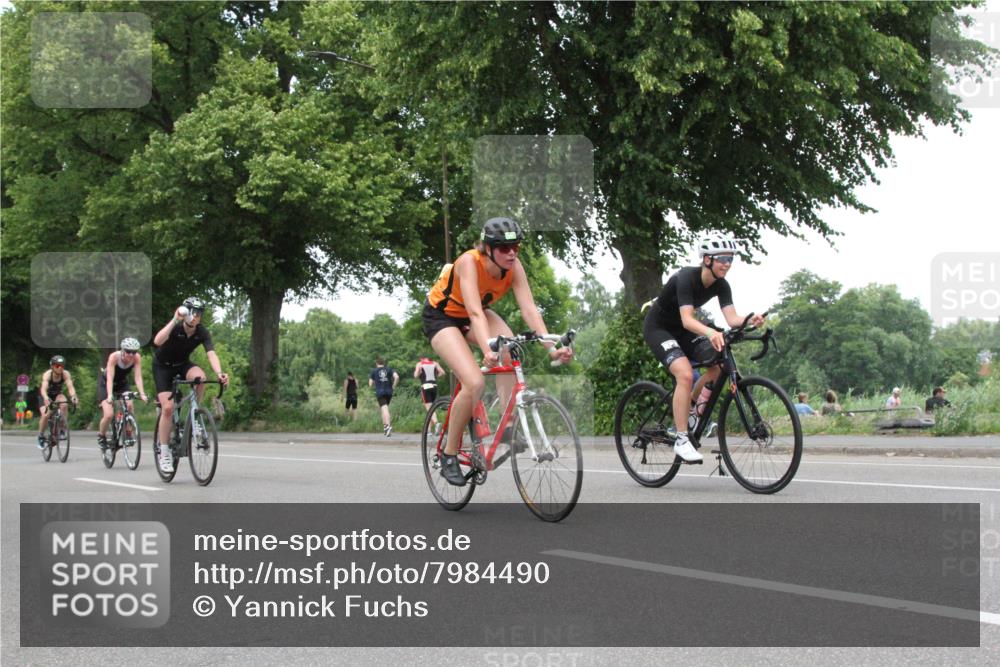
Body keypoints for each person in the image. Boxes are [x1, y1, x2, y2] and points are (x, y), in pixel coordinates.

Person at [423, 217, 573, 485]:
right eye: (504, 248)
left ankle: (508, 426)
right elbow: (474, 313)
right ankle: (449, 453)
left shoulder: (514, 267)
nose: (512, 252)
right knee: (474, 382)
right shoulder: (470, 262)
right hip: (442, 317)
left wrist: (552, 349)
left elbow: (529, 309)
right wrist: (486, 349)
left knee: (510, 350)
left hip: (475, 315)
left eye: (515, 246)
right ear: (488, 249)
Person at [643, 232, 764, 463]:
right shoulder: (686, 278)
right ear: (707, 259)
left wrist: (750, 320)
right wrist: (710, 332)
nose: (727, 264)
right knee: (685, 373)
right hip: (659, 328)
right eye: (722, 259)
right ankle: (681, 440)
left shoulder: (722, 285)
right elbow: (688, 319)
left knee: (717, 367)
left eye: (730, 259)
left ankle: (691, 410)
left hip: (683, 329)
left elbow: (731, 319)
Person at [152, 297, 229, 473]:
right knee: (168, 409)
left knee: (200, 378)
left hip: (182, 364)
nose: (196, 317)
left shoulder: (201, 331)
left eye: (199, 314)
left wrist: (219, 373)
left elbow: (211, 353)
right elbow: (157, 341)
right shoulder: (176, 327)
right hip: (163, 367)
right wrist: (174, 320)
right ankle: (164, 453)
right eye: (193, 313)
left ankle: (196, 414)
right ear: (186, 313)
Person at [97, 337, 148, 451]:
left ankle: (128, 432)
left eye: (134, 352)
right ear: (123, 350)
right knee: (109, 414)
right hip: (107, 383)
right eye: (128, 351)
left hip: (122, 384)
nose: (131, 354)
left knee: (129, 405)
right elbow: (110, 378)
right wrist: (110, 395)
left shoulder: (136, 358)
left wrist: (142, 393)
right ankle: (101, 436)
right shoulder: (114, 357)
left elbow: (138, 377)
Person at [37, 355, 79, 450]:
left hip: (57, 394)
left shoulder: (65, 374)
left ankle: (62, 429)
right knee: (46, 415)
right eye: (57, 366)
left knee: (64, 404)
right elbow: (43, 389)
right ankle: (40, 436)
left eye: (62, 366)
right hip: (45, 395)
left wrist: (73, 396)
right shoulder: (47, 375)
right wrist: (46, 398)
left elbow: (70, 387)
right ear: (52, 366)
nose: (60, 368)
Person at [414, 356, 447, 431]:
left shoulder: (420, 364)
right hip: (434, 386)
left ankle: (436, 423)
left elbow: (415, 375)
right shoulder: (435, 363)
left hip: (425, 386)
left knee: (429, 407)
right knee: (431, 407)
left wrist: (419, 372)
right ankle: (429, 430)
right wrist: (436, 377)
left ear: (421, 358)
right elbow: (443, 372)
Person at [369, 359, 399, 437]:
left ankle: (388, 426)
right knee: (383, 409)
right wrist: (393, 386)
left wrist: (375, 383)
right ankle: (385, 428)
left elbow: (370, 384)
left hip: (380, 392)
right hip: (389, 392)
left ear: (376, 363)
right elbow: (396, 377)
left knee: (385, 409)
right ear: (384, 363)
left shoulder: (374, 371)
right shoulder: (389, 369)